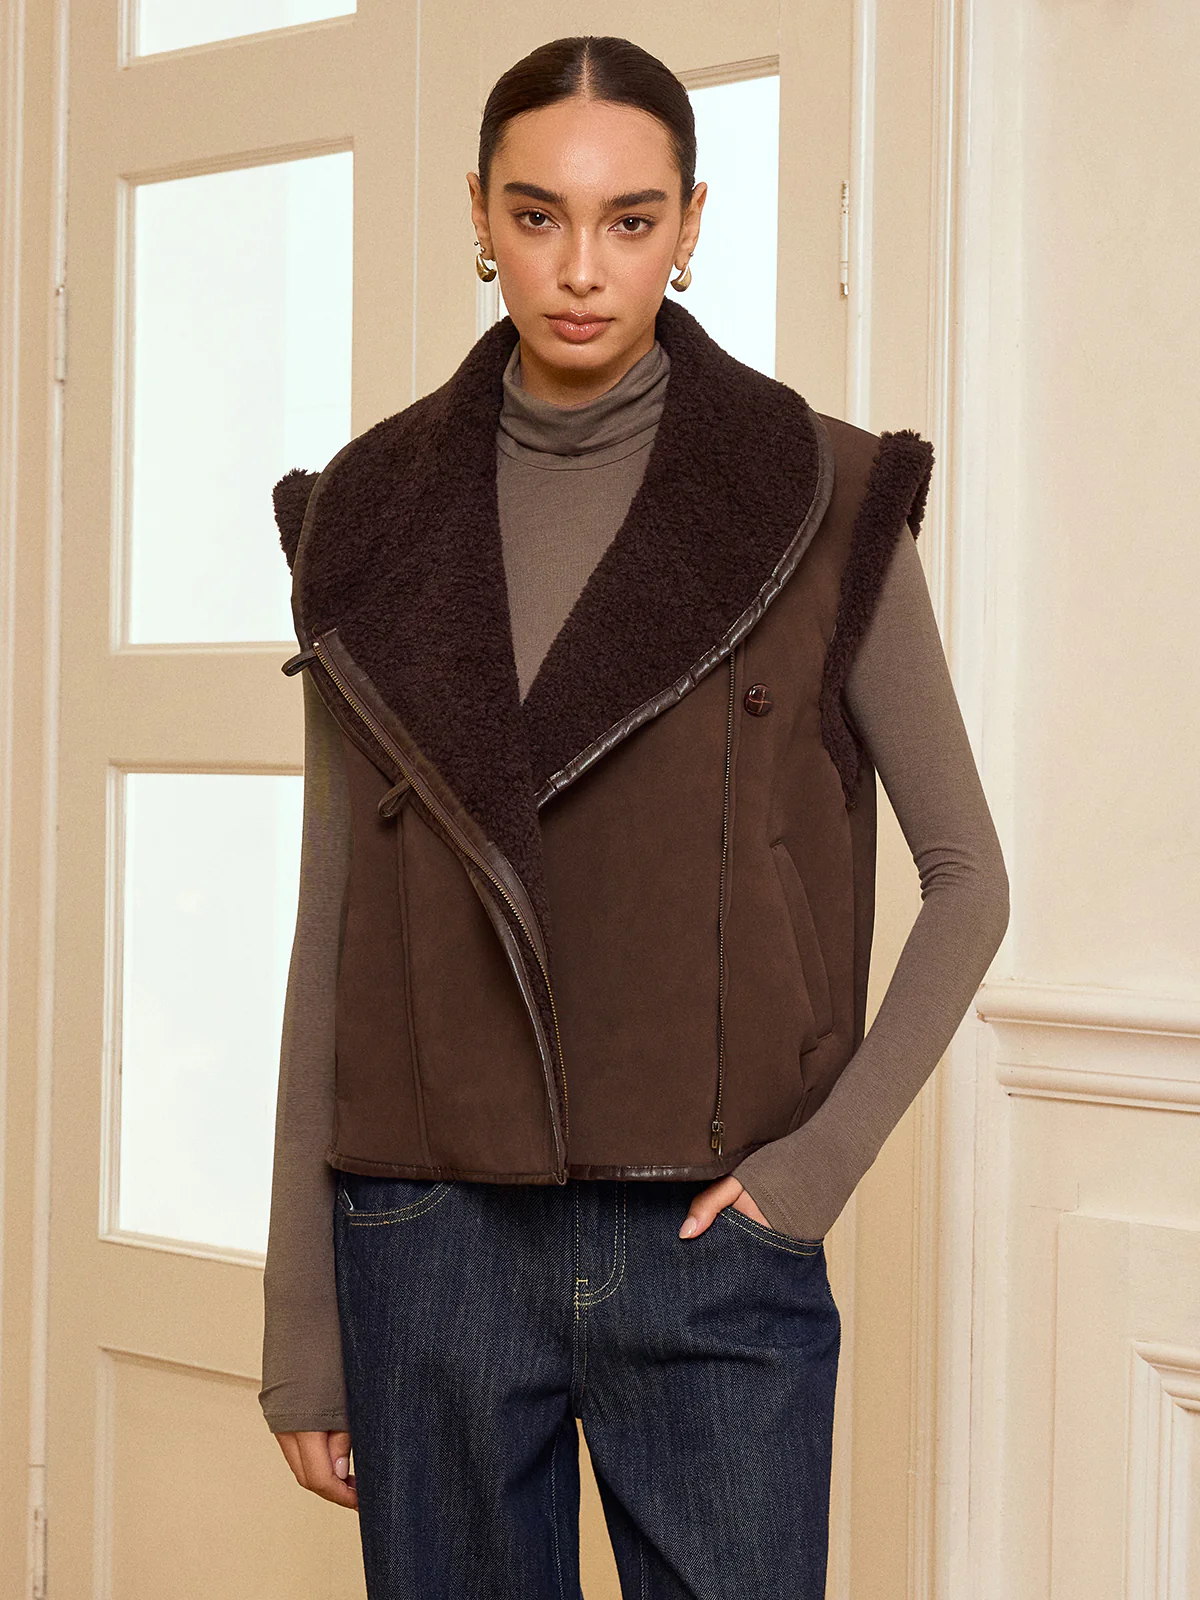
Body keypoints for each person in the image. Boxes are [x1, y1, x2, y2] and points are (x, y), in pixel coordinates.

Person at [258, 33, 1009, 1600]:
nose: (582, 268)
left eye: (630, 219)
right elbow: (332, 921)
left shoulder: (825, 496)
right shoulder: (368, 514)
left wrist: (810, 1177)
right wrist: (303, 1326)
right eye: (538, 216)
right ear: (479, 215)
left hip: (710, 1244)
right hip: (429, 1238)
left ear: (691, 222)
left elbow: (968, 878)